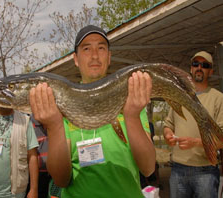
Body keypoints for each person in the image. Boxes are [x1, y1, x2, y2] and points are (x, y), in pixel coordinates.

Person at [30, 25, 156, 198]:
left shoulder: (130, 97)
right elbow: (61, 179)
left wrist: (132, 115)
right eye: (87, 48)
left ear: (109, 56)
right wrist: (54, 126)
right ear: (75, 58)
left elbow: (148, 168)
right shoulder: (61, 103)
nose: (95, 55)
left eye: (101, 48)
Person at [163, 51, 223, 198]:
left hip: (206, 172)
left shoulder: (218, 98)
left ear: (211, 71)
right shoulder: (178, 95)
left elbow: (221, 140)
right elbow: (168, 124)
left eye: (205, 65)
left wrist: (195, 143)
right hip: (177, 170)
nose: (199, 68)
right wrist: (167, 134)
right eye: (196, 64)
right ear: (191, 69)